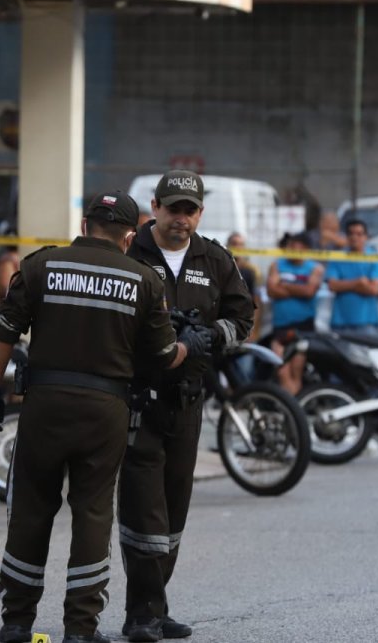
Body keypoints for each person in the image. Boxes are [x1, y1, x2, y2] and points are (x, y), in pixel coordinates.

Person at [0, 192, 212, 643]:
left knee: (30, 510)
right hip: (105, 412)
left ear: (85, 225)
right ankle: (80, 628)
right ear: (129, 237)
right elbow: (163, 355)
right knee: (91, 513)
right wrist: (192, 346)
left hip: (44, 405)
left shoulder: (39, 266)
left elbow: (3, 333)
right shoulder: (144, 281)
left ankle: (16, 622)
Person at [118, 170, 255, 642]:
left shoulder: (214, 259)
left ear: (199, 213)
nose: (180, 219)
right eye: (172, 208)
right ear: (154, 206)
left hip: (188, 402)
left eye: (189, 210)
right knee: (144, 510)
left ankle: (155, 605)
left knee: (174, 512)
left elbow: (244, 317)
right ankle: (141, 616)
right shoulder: (130, 251)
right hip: (137, 401)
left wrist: (211, 336)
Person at [266, 232, 324, 396]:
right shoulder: (277, 265)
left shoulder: (315, 267)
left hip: (302, 325)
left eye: (294, 246)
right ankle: (292, 405)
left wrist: (284, 285)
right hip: (281, 326)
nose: (290, 249)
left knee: (296, 370)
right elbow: (271, 290)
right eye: (289, 246)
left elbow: (309, 291)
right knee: (282, 370)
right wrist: (298, 287)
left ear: (304, 248)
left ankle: (293, 405)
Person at [324, 219, 378, 334]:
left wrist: (344, 285)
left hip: (367, 323)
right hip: (340, 323)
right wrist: (358, 283)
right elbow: (332, 285)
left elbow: (374, 289)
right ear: (346, 237)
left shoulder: (375, 258)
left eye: (359, 234)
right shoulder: (337, 257)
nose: (354, 237)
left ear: (366, 237)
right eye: (351, 234)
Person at [226, 232, 264, 342]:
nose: (237, 247)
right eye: (234, 243)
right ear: (227, 245)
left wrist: (254, 331)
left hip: (243, 326)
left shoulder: (252, 272)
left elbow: (256, 304)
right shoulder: (220, 268)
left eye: (241, 244)